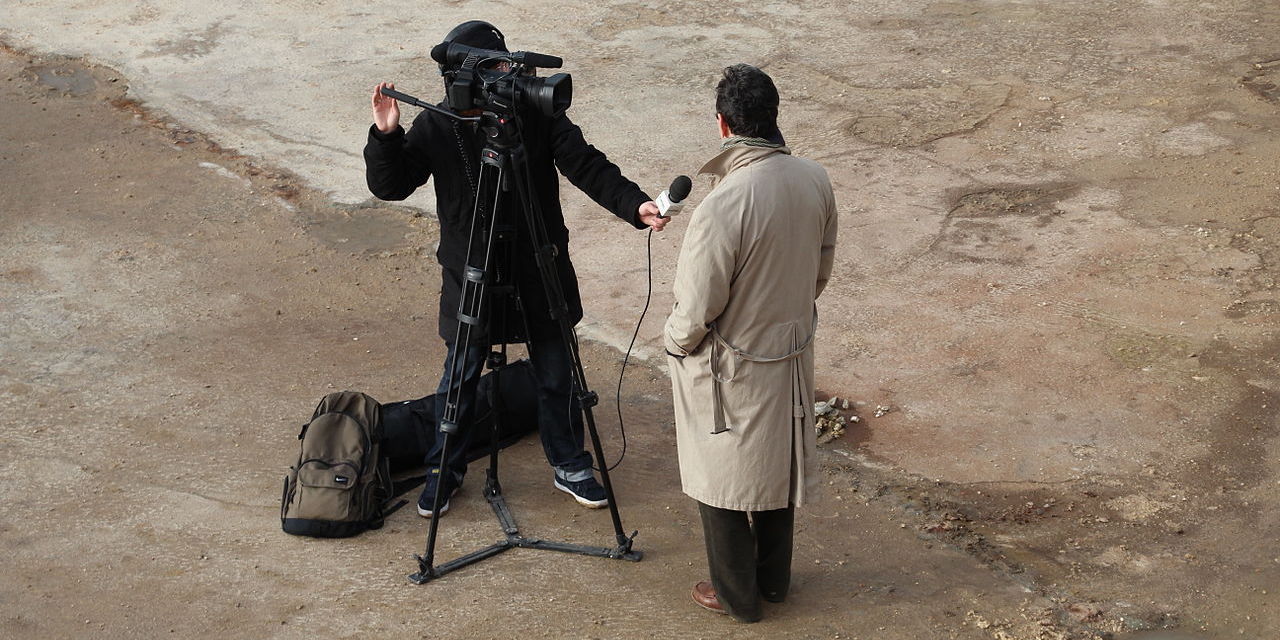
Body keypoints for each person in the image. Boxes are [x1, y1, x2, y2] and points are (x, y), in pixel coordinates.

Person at [364, 20, 668, 517]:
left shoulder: (534, 114)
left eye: (509, 64)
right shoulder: (440, 124)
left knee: (556, 369)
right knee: (460, 379)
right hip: (472, 273)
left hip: (536, 266)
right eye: (499, 66)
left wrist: (634, 206)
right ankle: (446, 470)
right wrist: (386, 134)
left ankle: (571, 464)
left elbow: (585, 164)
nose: (510, 74)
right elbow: (392, 185)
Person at [663, 63, 837, 622]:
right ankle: (775, 582)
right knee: (777, 467)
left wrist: (676, 342)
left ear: (722, 125)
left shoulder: (724, 203)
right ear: (773, 117)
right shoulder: (815, 178)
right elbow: (820, 271)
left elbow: (697, 306)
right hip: (789, 347)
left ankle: (737, 596)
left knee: (723, 477)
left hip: (729, 361)